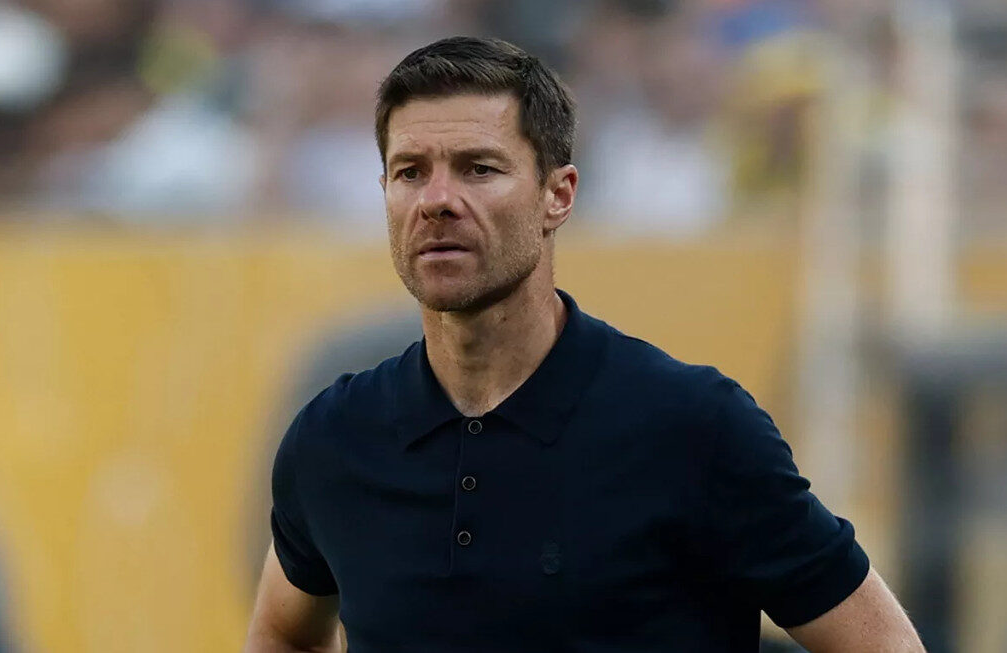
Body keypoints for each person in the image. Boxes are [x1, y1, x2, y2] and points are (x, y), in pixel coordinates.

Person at [244, 36, 925, 652]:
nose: (437, 199)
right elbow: (282, 633)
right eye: (410, 172)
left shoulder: (692, 426)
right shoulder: (335, 438)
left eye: (479, 168)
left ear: (558, 195)